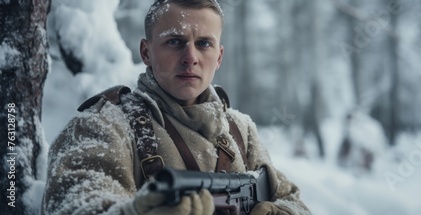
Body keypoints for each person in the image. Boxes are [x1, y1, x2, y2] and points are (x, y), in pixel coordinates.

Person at [41, 0, 311, 214]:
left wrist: (282, 211)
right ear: (146, 52)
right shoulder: (103, 125)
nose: (190, 58)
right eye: (174, 42)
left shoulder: (241, 130)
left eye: (204, 43)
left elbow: (292, 199)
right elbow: (74, 202)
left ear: (218, 57)